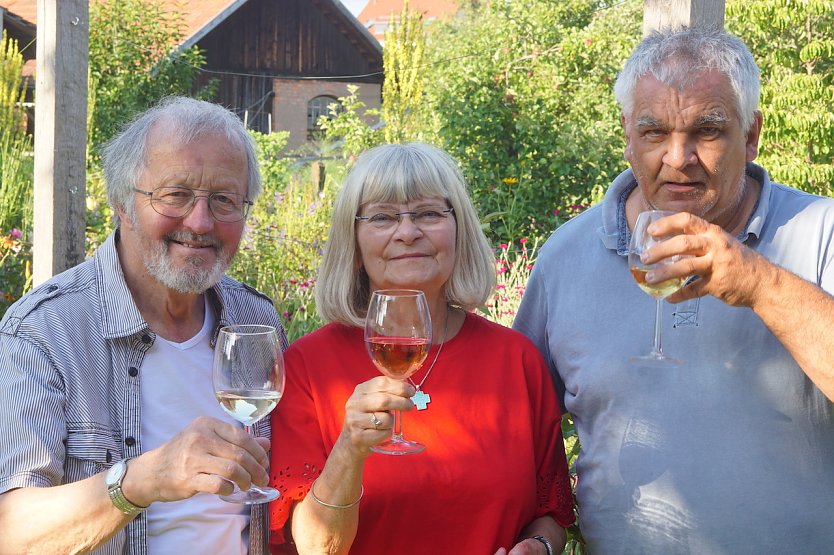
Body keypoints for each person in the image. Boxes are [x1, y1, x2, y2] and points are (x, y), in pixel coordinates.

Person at [514, 27, 834, 553]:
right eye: (654, 132)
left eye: (707, 131)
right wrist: (541, 540)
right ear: (626, 133)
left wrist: (758, 281)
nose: (677, 157)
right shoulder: (566, 257)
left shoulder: (819, 233)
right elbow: (524, 436)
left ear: (751, 134)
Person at [0, 96, 287, 554]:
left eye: (224, 199)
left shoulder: (253, 320)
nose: (200, 221)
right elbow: (12, 534)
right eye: (176, 194)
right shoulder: (45, 332)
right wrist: (145, 479)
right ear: (122, 202)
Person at [267, 143, 575, 554]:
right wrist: (350, 450)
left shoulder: (517, 361)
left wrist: (539, 547)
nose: (408, 232)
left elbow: (550, 514)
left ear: (458, 231)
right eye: (382, 217)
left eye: (429, 213)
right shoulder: (307, 369)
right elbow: (314, 548)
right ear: (354, 245)